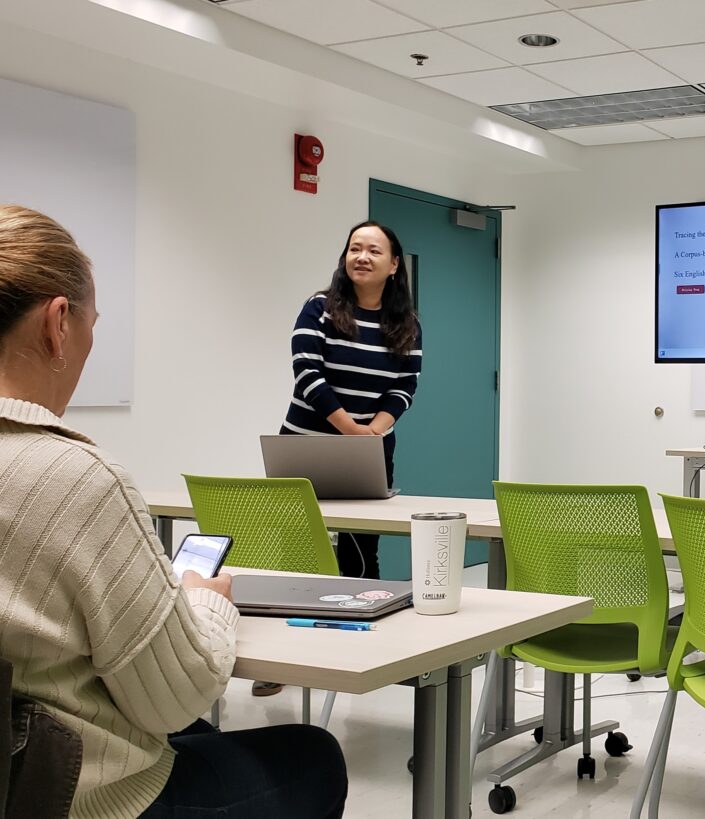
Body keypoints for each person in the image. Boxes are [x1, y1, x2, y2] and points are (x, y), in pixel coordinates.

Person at [0, 204, 347, 818]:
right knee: (315, 756)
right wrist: (203, 599)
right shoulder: (76, 478)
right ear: (58, 324)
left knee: (207, 741)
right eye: (91, 325)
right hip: (65, 796)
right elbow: (175, 698)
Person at [281, 220, 422, 580]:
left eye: (374, 251)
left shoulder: (406, 323)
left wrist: (374, 430)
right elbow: (308, 373)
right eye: (354, 248)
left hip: (371, 449)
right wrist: (349, 429)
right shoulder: (319, 308)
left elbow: (405, 385)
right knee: (298, 548)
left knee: (360, 552)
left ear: (393, 266)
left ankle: (363, 627)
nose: (361, 256)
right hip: (307, 444)